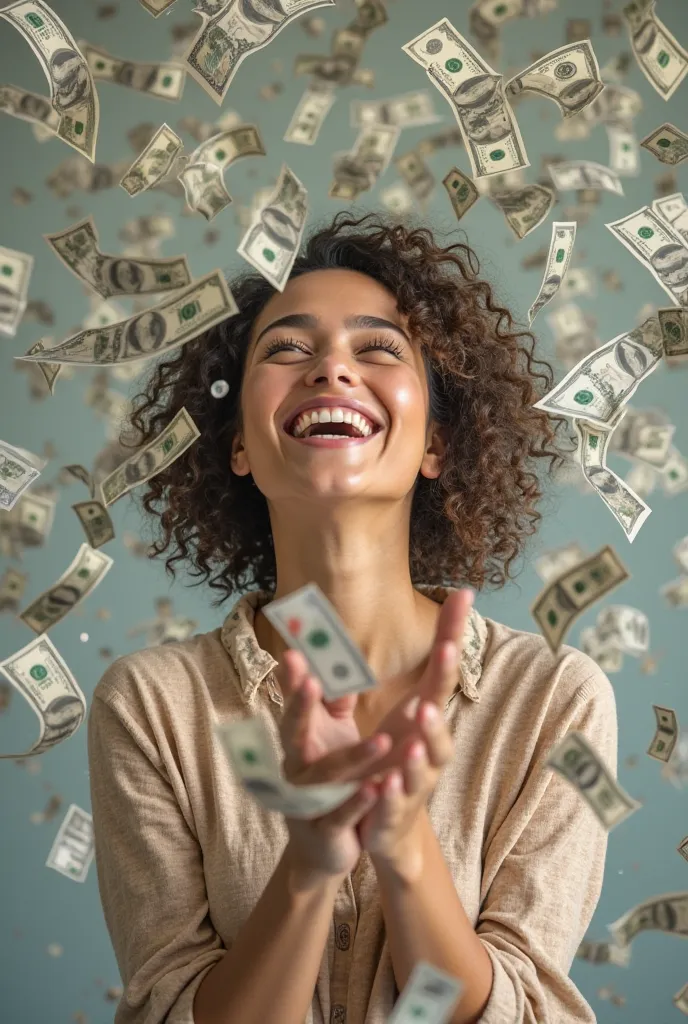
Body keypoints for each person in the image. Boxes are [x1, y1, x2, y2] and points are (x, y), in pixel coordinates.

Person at [88, 213, 618, 1024]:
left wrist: (405, 847)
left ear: (436, 443)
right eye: (288, 349)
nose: (332, 367)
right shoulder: (152, 707)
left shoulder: (555, 700)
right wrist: (308, 864)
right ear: (237, 446)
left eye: (377, 349)